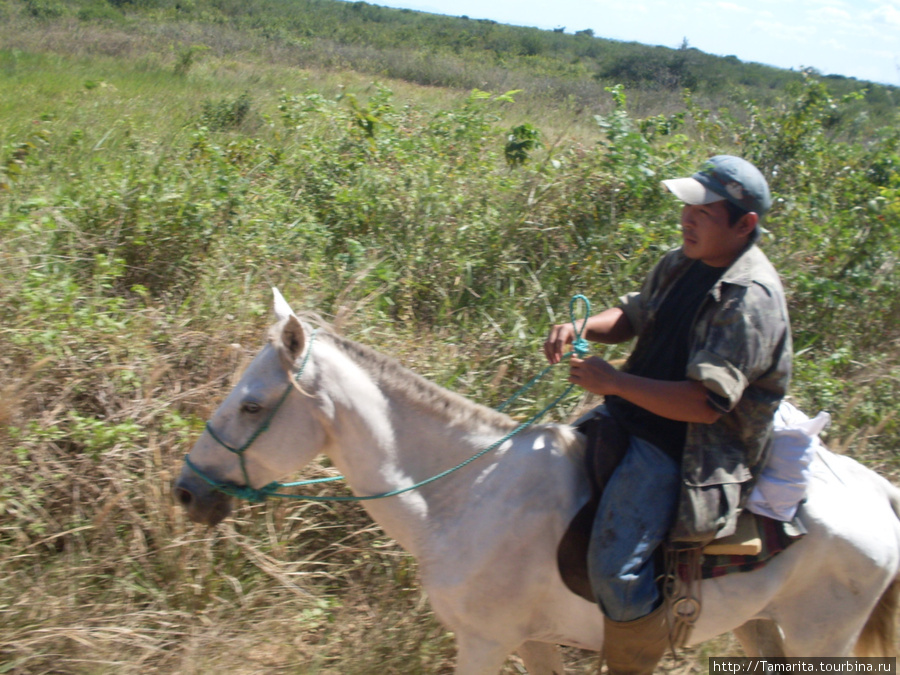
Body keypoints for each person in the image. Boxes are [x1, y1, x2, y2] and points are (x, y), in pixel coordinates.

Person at [544, 156, 792, 674]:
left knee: (616, 569)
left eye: (704, 210)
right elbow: (634, 316)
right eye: (687, 205)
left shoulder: (749, 300)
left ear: (744, 225)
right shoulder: (682, 261)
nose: (687, 217)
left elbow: (704, 405)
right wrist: (583, 326)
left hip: (691, 448)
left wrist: (612, 382)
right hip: (631, 412)